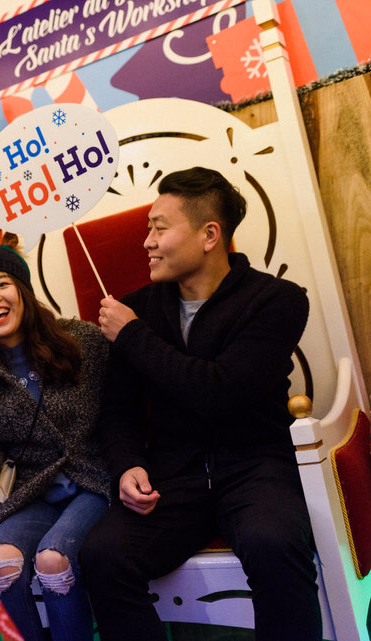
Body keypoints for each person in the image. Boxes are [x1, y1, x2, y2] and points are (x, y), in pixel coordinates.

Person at [81, 166, 320, 641]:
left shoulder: (278, 301)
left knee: (275, 545)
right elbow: (119, 410)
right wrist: (126, 465)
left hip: (256, 468)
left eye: (159, 228)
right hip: (174, 480)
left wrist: (132, 335)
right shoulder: (139, 307)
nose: (147, 241)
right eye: (147, 228)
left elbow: (220, 392)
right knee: (102, 554)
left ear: (210, 234)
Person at [0, 243, 111, 641]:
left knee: (53, 559)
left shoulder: (83, 341)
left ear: (22, 290)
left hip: (94, 479)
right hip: (33, 490)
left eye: (2, 283)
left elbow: (123, 411)